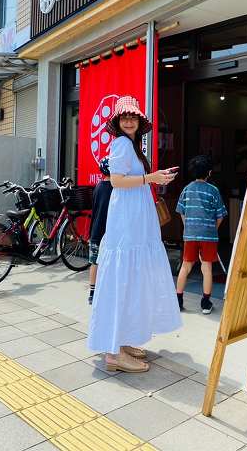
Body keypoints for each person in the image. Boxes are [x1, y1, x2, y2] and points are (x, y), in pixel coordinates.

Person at [88, 95, 182, 373]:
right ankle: (114, 352)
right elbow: (116, 180)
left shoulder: (130, 145)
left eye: (133, 117)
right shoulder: (120, 144)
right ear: (117, 122)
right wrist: (151, 178)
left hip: (133, 219)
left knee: (127, 280)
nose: (129, 120)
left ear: (139, 122)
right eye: (124, 117)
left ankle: (122, 341)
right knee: (123, 279)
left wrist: (154, 177)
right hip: (127, 221)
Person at [176, 155, 227, 314]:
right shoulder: (213, 191)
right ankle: (205, 303)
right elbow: (220, 215)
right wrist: (212, 229)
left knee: (185, 266)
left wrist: (188, 227)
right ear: (209, 173)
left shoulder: (187, 189)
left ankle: (178, 301)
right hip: (208, 236)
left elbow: (181, 211)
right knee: (207, 269)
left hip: (190, 234)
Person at [88, 157, 112, 305]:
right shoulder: (116, 188)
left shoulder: (98, 187)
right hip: (109, 232)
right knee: (109, 263)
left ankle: (92, 292)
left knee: (94, 262)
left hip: (96, 231)